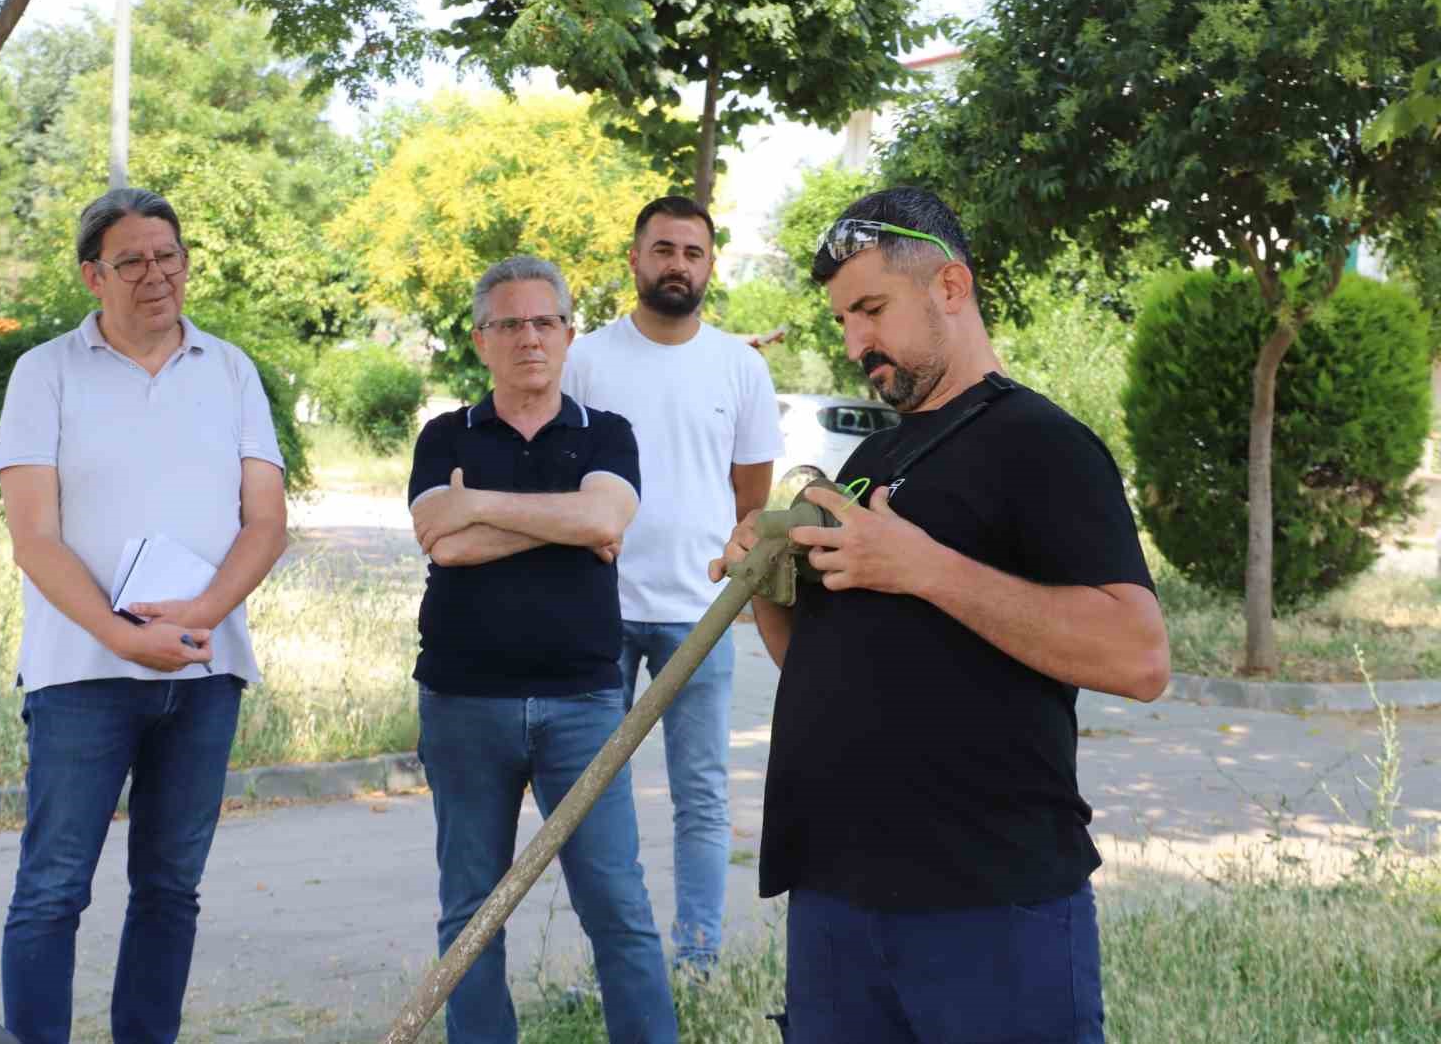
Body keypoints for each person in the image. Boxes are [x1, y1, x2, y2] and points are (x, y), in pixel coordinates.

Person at [710, 186, 1171, 1043]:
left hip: (986, 906)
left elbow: (1139, 658)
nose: (855, 343)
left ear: (950, 286)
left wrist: (925, 569)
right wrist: (766, 586)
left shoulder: (1041, 443)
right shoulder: (871, 456)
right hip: (836, 898)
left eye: (871, 310)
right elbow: (825, 663)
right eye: (843, 320)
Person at [0, 187, 288, 1043]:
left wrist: (199, 617)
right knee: (52, 889)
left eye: (169, 256)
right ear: (93, 276)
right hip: (81, 673)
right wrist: (123, 636)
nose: (156, 275)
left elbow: (266, 523)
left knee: (169, 890)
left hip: (204, 670)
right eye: (132, 262)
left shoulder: (230, 370)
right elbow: (34, 537)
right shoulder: (44, 373)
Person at [407, 255, 677, 1044]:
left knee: (617, 909)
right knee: (470, 913)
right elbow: (443, 542)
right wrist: (566, 523)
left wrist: (481, 506)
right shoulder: (444, 435)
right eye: (509, 324)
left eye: (544, 322)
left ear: (568, 333)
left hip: (583, 705)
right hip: (463, 702)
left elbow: (603, 522)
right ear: (480, 339)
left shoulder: (608, 433)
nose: (529, 338)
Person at [561, 196, 783, 971]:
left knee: (702, 797)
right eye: (663, 250)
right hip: (599, 605)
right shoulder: (585, 359)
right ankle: (616, 967)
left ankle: (697, 963)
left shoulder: (740, 366)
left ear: (711, 265)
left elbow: (751, 502)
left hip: (701, 614)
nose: (677, 265)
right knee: (592, 797)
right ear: (634, 259)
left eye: (692, 252)